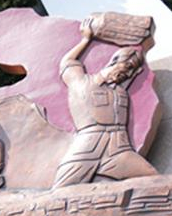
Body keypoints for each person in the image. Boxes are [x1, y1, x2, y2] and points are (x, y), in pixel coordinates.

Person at [52, 19, 158, 188]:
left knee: (153, 178)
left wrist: (137, 59)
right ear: (114, 62)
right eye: (126, 67)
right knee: (62, 189)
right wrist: (86, 40)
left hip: (119, 147)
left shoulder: (120, 92)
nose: (127, 73)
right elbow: (67, 63)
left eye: (131, 70)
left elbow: (130, 74)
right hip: (89, 145)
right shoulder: (82, 82)